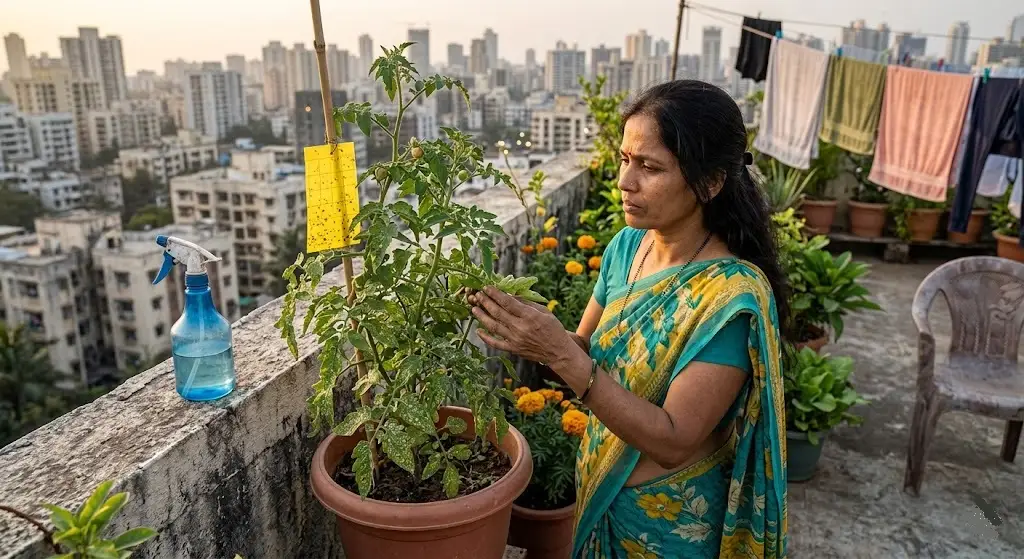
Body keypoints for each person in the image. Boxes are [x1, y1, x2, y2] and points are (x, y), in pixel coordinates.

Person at [468, 80, 789, 558]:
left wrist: (560, 352)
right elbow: (584, 348)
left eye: (650, 167)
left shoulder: (729, 299)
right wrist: (534, 333)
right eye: (624, 159)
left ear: (711, 181)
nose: (625, 181)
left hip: (671, 525)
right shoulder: (627, 249)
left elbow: (675, 439)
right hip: (602, 493)